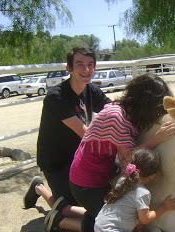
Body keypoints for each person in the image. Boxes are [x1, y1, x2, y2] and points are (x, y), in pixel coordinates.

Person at [43, 73, 175, 232]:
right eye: (156, 108)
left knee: (113, 214)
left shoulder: (125, 113)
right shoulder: (117, 118)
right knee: (118, 226)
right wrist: (157, 139)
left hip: (99, 178)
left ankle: (65, 209)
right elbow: (129, 158)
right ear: (145, 103)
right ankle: (61, 221)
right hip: (87, 183)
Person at [23, 47, 111, 217]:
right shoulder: (56, 96)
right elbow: (84, 133)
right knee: (71, 207)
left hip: (78, 156)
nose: (86, 70)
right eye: (80, 64)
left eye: (90, 65)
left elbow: (114, 109)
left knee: (93, 199)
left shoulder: (91, 90)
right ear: (69, 68)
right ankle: (39, 188)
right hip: (57, 162)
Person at [90, 148, 175, 232]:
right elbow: (145, 219)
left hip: (98, 231)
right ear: (153, 176)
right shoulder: (142, 193)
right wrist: (164, 207)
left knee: (137, 229)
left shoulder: (122, 180)